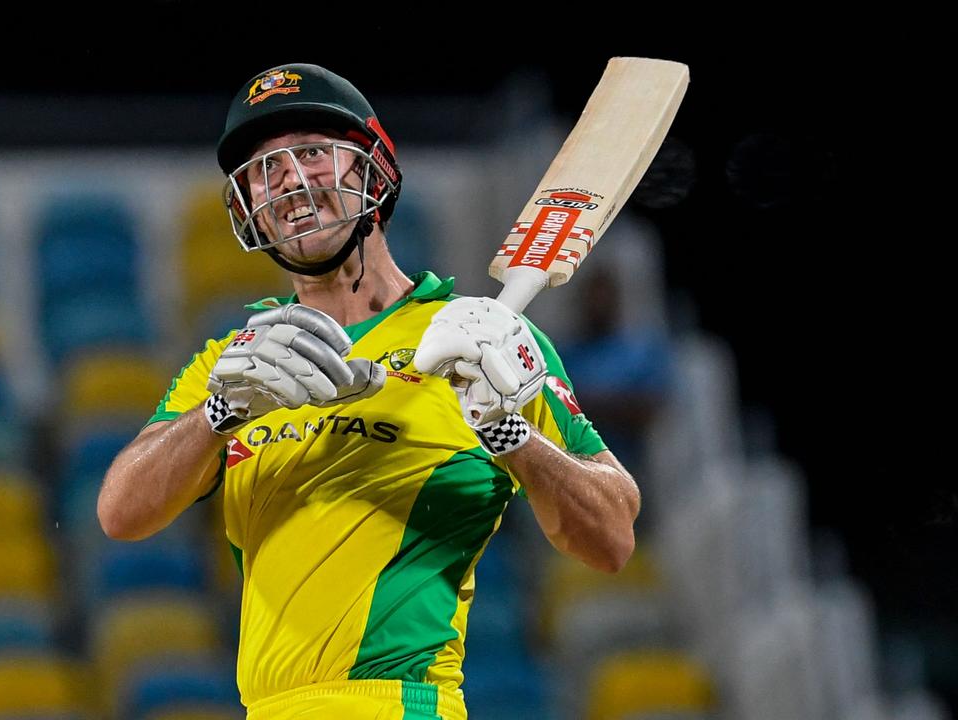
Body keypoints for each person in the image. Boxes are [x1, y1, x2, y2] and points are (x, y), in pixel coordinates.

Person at [97, 63, 641, 720]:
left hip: (397, 704)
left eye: (311, 154)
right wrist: (217, 414)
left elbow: (611, 536)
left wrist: (508, 434)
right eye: (265, 169)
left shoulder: (484, 339)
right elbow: (120, 513)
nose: (290, 183)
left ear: (373, 171)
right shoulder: (238, 359)